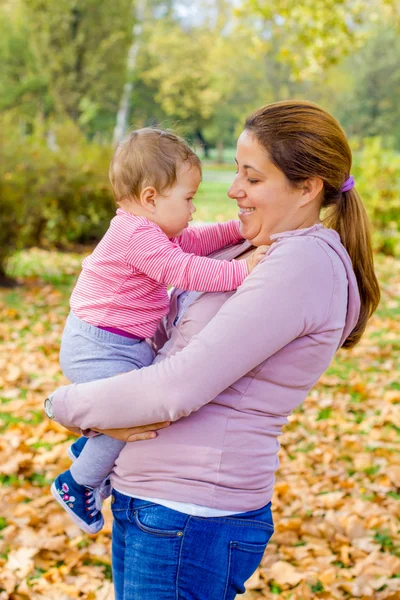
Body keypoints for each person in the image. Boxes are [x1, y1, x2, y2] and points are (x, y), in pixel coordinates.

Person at [45, 100, 380, 600]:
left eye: (252, 177)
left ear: (308, 187)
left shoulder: (301, 263)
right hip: (153, 505)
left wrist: (63, 406)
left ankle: (82, 469)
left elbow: (178, 386)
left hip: (189, 516)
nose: (233, 190)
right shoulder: (257, 244)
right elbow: (184, 265)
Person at [52, 127, 267, 535]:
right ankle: (78, 482)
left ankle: (89, 448)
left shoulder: (151, 230)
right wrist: (242, 270)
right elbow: (182, 267)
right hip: (98, 346)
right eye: (188, 199)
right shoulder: (135, 235)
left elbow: (197, 240)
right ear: (151, 198)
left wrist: (239, 230)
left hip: (122, 343)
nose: (193, 209)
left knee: (132, 409)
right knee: (131, 412)